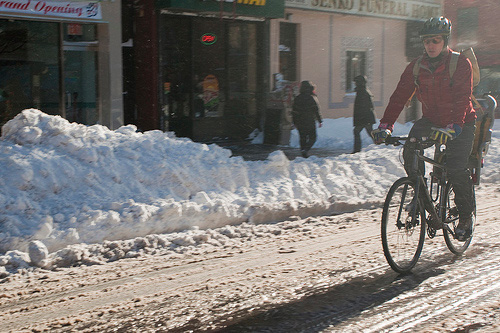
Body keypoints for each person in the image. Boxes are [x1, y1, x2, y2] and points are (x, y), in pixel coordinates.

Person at [372, 16, 476, 241]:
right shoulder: (416, 67)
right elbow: (399, 96)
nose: (430, 46)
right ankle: (420, 192)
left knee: (456, 168)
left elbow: (461, 97)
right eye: (427, 41)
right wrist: (385, 125)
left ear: (445, 41)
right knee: (410, 149)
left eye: (435, 41)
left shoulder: (460, 63)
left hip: (461, 122)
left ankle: (466, 217)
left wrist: (455, 125)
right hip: (431, 120)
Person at [292, 81, 322, 158]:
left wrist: (294, 122)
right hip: (310, 121)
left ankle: (303, 152)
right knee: (313, 137)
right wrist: (319, 120)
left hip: (300, 121)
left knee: (302, 137)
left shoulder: (297, 98)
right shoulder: (312, 98)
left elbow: (294, 111)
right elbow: (316, 110)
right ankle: (306, 149)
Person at [352, 75, 376, 153]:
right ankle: (380, 144)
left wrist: (361, 119)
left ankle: (357, 150)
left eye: (356, 82)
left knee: (357, 131)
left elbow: (365, 107)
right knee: (370, 132)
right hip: (366, 117)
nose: (355, 84)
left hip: (365, 117)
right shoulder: (362, 90)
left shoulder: (362, 92)